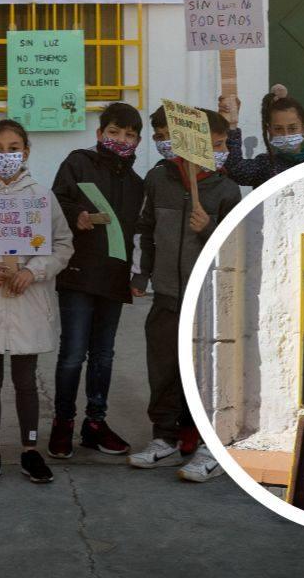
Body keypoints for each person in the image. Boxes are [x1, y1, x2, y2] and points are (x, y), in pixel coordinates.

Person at [128, 107, 240, 481]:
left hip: (207, 299)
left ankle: (210, 442)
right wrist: (142, 274)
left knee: (205, 372)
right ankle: (165, 437)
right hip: (167, 294)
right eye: (212, 144)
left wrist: (209, 227)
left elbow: (235, 247)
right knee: (163, 365)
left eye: (223, 144)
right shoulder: (159, 179)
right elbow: (146, 230)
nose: (219, 150)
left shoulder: (226, 189)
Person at [0, 120, 74, 485]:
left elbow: (62, 245)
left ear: (26, 152)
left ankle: (30, 449)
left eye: (13, 148)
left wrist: (35, 271)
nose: (6, 155)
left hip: (28, 300)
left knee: (26, 380)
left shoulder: (42, 197)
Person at [48, 102, 145, 458]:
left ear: (137, 141)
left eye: (130, 135)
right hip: (77, 275)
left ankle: (95, 424)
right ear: (99, 133)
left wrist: (138, 275)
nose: (121, 140)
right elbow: (54, 200)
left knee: (103, 355)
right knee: (72, 354)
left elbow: (139, 232)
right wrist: (78, 215)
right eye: (114, 132)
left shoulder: (137, 184)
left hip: (114, 280)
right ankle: (63, 423)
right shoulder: (78, 163)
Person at [219, 87, 304, 188]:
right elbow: (236, 170)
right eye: (278, 129)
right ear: (269, 131)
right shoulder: (265, 164)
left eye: (292, 128)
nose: (286, 135)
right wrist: (230, 125)